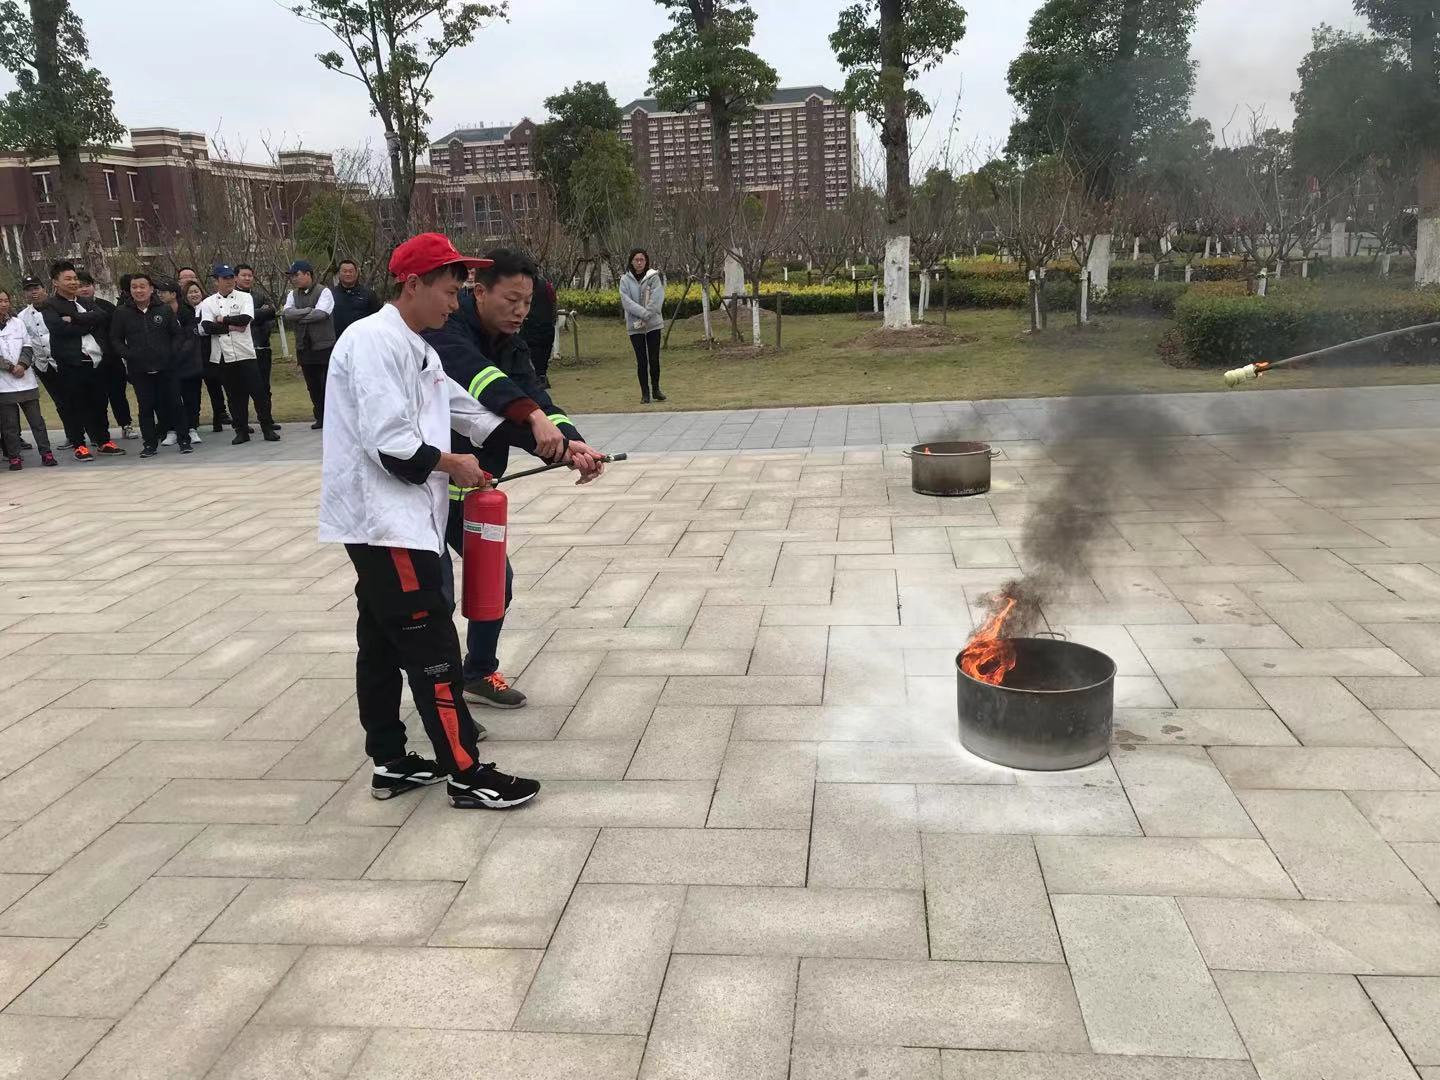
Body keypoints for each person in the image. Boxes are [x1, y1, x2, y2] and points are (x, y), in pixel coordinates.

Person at [318, 231, 542, 809]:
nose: (454, 302)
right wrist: (456, 464)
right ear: (412, 284)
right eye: (448, 290)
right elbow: (391, 444)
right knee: (434, 649)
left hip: (401, 520)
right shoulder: (373, 341)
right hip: (386, 524)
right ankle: (466, 774)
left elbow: (466, 411)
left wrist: (551, 441)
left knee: (379, 643)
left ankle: (390, 762)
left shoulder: (417, 345)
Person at [424, 247, 603, 710]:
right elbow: (480, 383)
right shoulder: (445, 329)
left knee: (494, 581)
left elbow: (535, 395)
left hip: (474, 493)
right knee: (435, 598)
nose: (521, 311)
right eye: (511, 300)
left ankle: (478, 673)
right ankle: (439, 700)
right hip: (422, 491)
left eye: (527, 302)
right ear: (479, 292)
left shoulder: (511, 341)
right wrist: (536, 422)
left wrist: (574, 445)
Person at [41, 261, 125, 460]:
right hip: (70, 363)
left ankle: (103, 441)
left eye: (74, 278)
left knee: (99, 403)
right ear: (56, 282)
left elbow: (101, 317)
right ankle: (79, 444)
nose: (73, 282)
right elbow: (59, 328)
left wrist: (74, 318)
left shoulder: (85, 301)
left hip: (94, 362)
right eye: (68, 279)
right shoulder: (50, 305)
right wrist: (87, 322)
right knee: (75, 404)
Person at [195, 264, 279, 445]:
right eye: (224, 278)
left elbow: (245, 319)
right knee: (234, 395)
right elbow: (207, 326)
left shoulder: (244, 297)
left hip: (245, 352)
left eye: (231, 277)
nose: (229, 281)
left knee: (258, 392)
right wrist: (231, 327)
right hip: (223, 355)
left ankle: (267, 428)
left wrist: (222, 319)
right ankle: (241, 430)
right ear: (216, 281)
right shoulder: (208, 302)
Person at [110, 272, 190, 458]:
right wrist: (129, 354)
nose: (138, 290)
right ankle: (149, 444)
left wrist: (171, 352)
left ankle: (184, 440)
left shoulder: (164, 309)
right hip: (139, 369)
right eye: (134, 287)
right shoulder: (122, 312)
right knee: (145, 407)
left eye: (142, 286)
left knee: (175, 404)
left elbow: (178, 334)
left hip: (166, 367)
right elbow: (115, 339)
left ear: (151, 289)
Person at [77, 270, 136, 440]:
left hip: (111, 359)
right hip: (88, 361)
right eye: (80, 286)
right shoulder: (73, 309)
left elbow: (117, 333)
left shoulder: (107, 307)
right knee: (96, 399)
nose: (84, 289)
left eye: (87, 285)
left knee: (118, 395)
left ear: (93, 286)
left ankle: (126, 424)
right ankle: (100, 433)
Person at [0, 289, 56, 469]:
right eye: (0, 301)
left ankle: (46, 453)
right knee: (9, 425)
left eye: (6, 300)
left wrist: (22, 365)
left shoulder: (18, 322)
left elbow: (27, 345)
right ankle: (14, 457)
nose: (4, 304)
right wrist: (10, 367)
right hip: (4, 383)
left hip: (25, 380)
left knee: (37, 421)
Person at [281, 259, 335, 429]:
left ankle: (332, 418)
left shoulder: (324, 291)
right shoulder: (292, 294)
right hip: (304, 347)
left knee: (327, 384)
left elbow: (321, 314)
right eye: (291, 276)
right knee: (312, 385)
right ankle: (319, 416)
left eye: (296, 275)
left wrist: (299, 316)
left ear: (308, 274)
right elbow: (287, 314)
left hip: (324, 346)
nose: (293, 279)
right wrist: (307, 310)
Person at [18, 276, 61, 447]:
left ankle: (92, 433)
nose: (33, 292)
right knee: (59, 402)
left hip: (63, 362)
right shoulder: (22, 317)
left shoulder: (57, 307)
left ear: (44, 289)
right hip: (43, 366)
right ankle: (73, 436)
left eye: (36, 288)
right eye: (29, 290)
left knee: (76, 399)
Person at [621, 248, 666, 404]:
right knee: (641, 360)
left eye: (642, 260)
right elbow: (626, 301)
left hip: (653, 324)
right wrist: (642, 313)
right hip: (635, 326)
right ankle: (644, 393)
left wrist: (648, 314)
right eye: (636, 260)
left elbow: (657, 298)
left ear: (646, 261)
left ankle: (656, 389)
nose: (639, 263)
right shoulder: (625, 280)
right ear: (631, 261)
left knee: (654, 358)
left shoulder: (653, 277)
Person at [169, 281, 207, 445]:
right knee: (172, 398)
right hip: (171, 363)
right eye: (190, 292)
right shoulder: (162, 311)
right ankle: (173, 429)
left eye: (196, 291)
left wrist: (180, 353)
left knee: (192, 396)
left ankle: (192, 427)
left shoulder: (189, 312)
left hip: (191, 360)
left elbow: (191, 336)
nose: (194, 294)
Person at [236, 264, 278, 408]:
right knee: (241, 389)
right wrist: (258, 314)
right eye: (244, 275)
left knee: (264, 387)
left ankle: (267, 417)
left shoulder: (260, 296)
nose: (247, 278)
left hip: (262, 346)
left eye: (250, 275)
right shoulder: (232, 298)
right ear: (236, 277)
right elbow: (237, 318)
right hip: (241, 349)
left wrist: (249, 317)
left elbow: (271, 313)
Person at [520, 267, 558, 389]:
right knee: (543, 352)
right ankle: (541, 376)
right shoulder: (546, 285)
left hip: (534, 324)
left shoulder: (527, 286)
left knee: (535, 352)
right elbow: (553, 302)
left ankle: (538, 377)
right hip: (545, 324)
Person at [331, 258, 381, 341]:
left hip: (363, 340)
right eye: (344, 271)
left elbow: (377, 318)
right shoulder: (331, 294)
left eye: (351, 271)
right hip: (338, 341)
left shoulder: (368, 294)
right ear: (339, 274)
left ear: (356, 273)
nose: (348, 274)